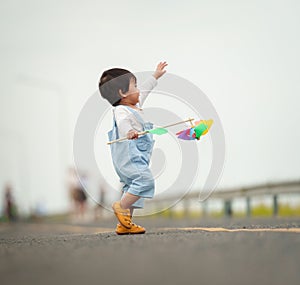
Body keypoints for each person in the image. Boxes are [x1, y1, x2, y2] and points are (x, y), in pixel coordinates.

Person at [99, 61, 167, 234]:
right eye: (134, 86)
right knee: (145, 181)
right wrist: (129, 131)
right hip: (129, 157)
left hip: (137, 157)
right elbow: (122, 124)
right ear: (122, 93)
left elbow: (146, 90)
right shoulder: (121, 110)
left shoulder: (135, 105)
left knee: (132, 188)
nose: (138, 89)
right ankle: (120, 207)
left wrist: (156, 75)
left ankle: (125, 224)